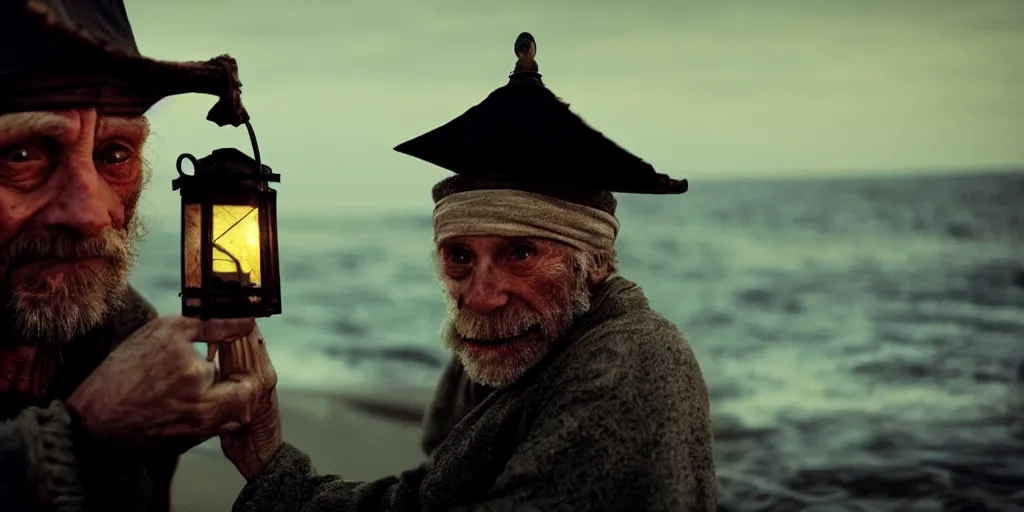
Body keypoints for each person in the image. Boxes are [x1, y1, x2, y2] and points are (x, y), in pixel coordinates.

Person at [221, 32, 718, 511]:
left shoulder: (632, 359)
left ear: (595, 263)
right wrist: (268, 464)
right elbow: (421, 500)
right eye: (459, 257)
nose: (480, 296)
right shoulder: (502, 359)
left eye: (521, 254)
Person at [0, 1, 266, 511]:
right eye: (22, 154)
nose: (92, 213)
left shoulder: (122, 334)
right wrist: (81, 437)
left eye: (115, 155)